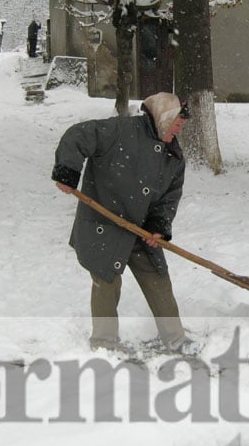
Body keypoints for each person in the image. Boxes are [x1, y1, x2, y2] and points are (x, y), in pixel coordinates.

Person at [52, 92, 190, 351]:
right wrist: (66, 170)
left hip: (139, 228)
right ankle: (104, 345)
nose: (180, 129)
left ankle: (176, 339)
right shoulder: (118, 131)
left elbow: (169, 197)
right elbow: (78, 136)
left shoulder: (173, 157)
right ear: (164, 117)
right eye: (177, 123)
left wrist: (158, 227)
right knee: (106, 281)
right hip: (104, 225)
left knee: (157, 277)